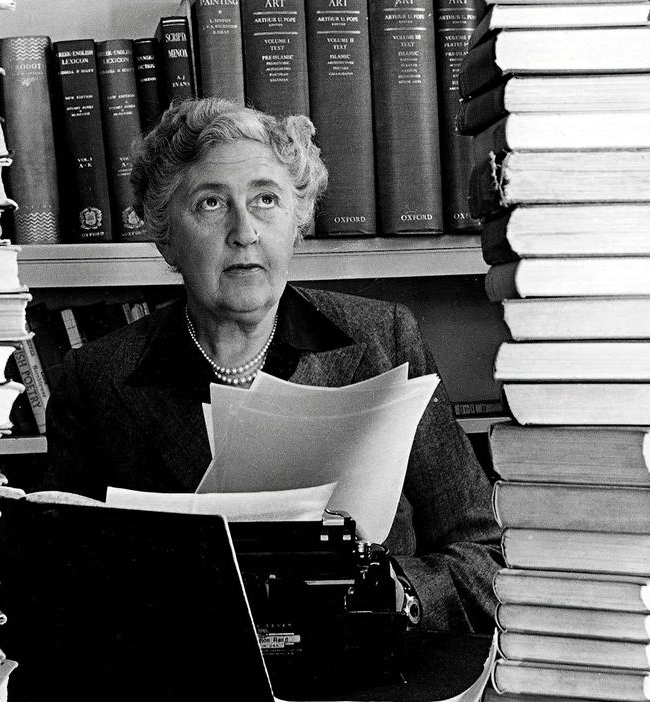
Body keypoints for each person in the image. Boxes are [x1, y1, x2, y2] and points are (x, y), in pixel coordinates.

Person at [43, 98, 502, 633]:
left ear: (297, 221)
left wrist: (396, 593)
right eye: (211, 203)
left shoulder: (384, 340)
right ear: (166, 237)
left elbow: (485, 556)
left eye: (266, 199)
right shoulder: (96, 381)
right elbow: (60, 593)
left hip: (368, 667)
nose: (244, 231)